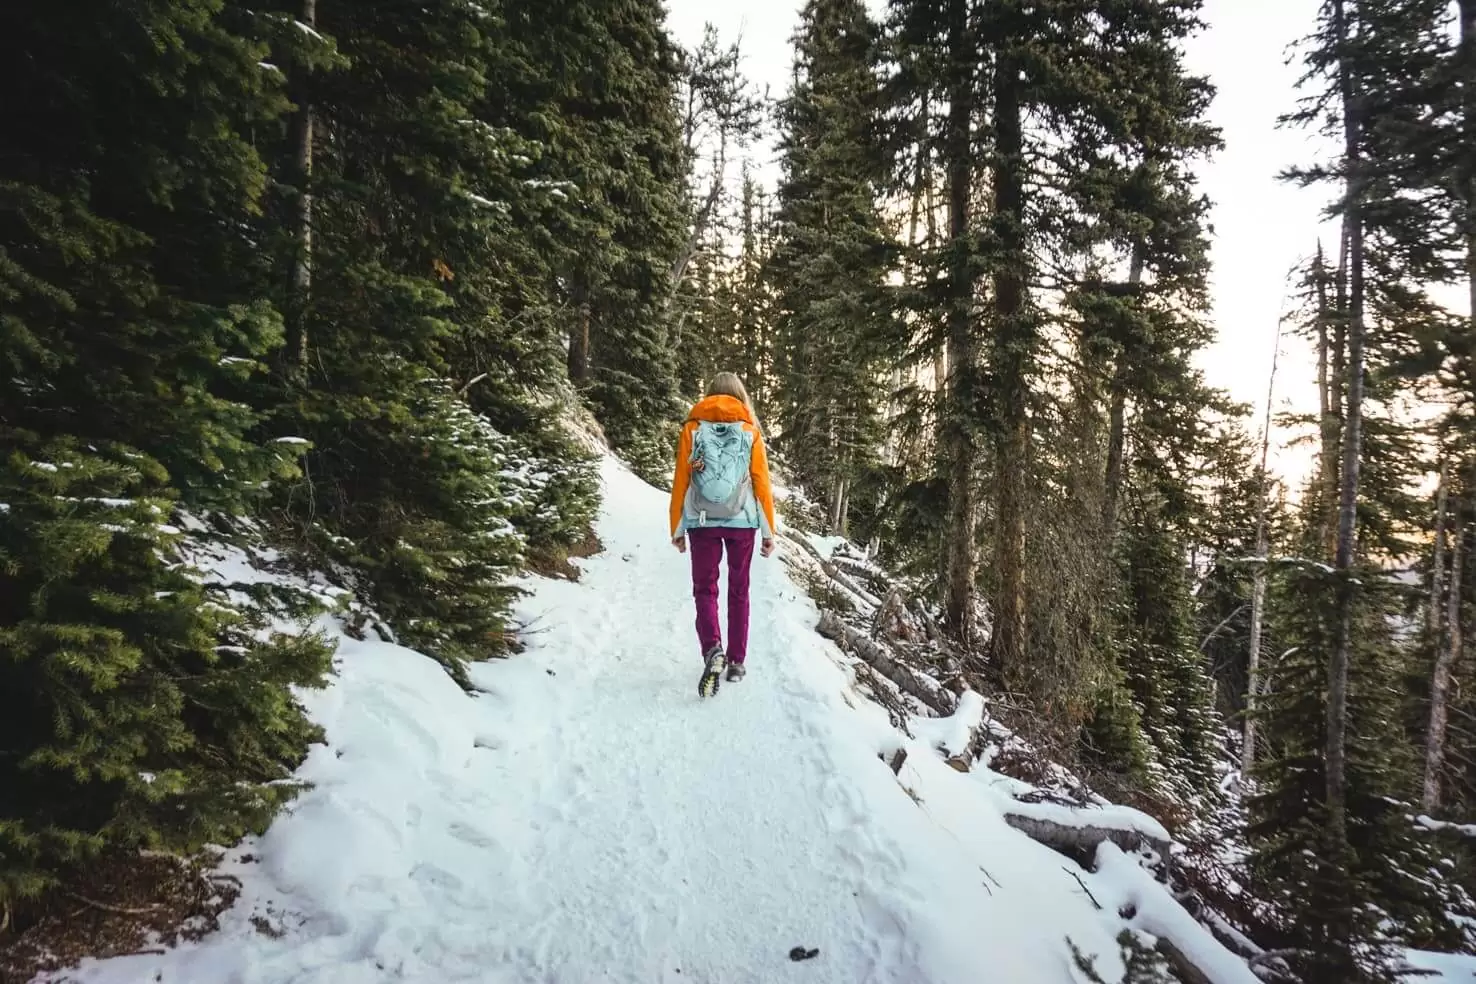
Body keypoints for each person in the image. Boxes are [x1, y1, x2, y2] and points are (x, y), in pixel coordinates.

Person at [669, 372, 777, 698]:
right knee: (739, 589)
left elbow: (681, 480)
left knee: (705, 588)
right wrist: (769, 530)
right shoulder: (749, 431)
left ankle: (712, 648)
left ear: (709, 395)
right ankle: (737, 661)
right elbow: (761, 483)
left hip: (702, 521)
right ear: (740, 396)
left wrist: (677, 527)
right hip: (742, 522)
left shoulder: (692, 428)